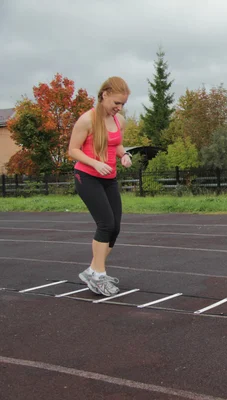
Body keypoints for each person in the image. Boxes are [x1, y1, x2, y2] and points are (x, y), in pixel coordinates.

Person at [68, 76, 132, 296]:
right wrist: (95, 162)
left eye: (122, 104)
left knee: (115, 227)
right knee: (105, 224)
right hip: (87, 176)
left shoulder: (119, 121)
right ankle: (99, 276)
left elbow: (118, 144)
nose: (119, 107)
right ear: (104, 95)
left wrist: (125, 156)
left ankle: (93, 271)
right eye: (116, 103)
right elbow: (73, 150)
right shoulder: (87, 120)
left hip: (109, 178)